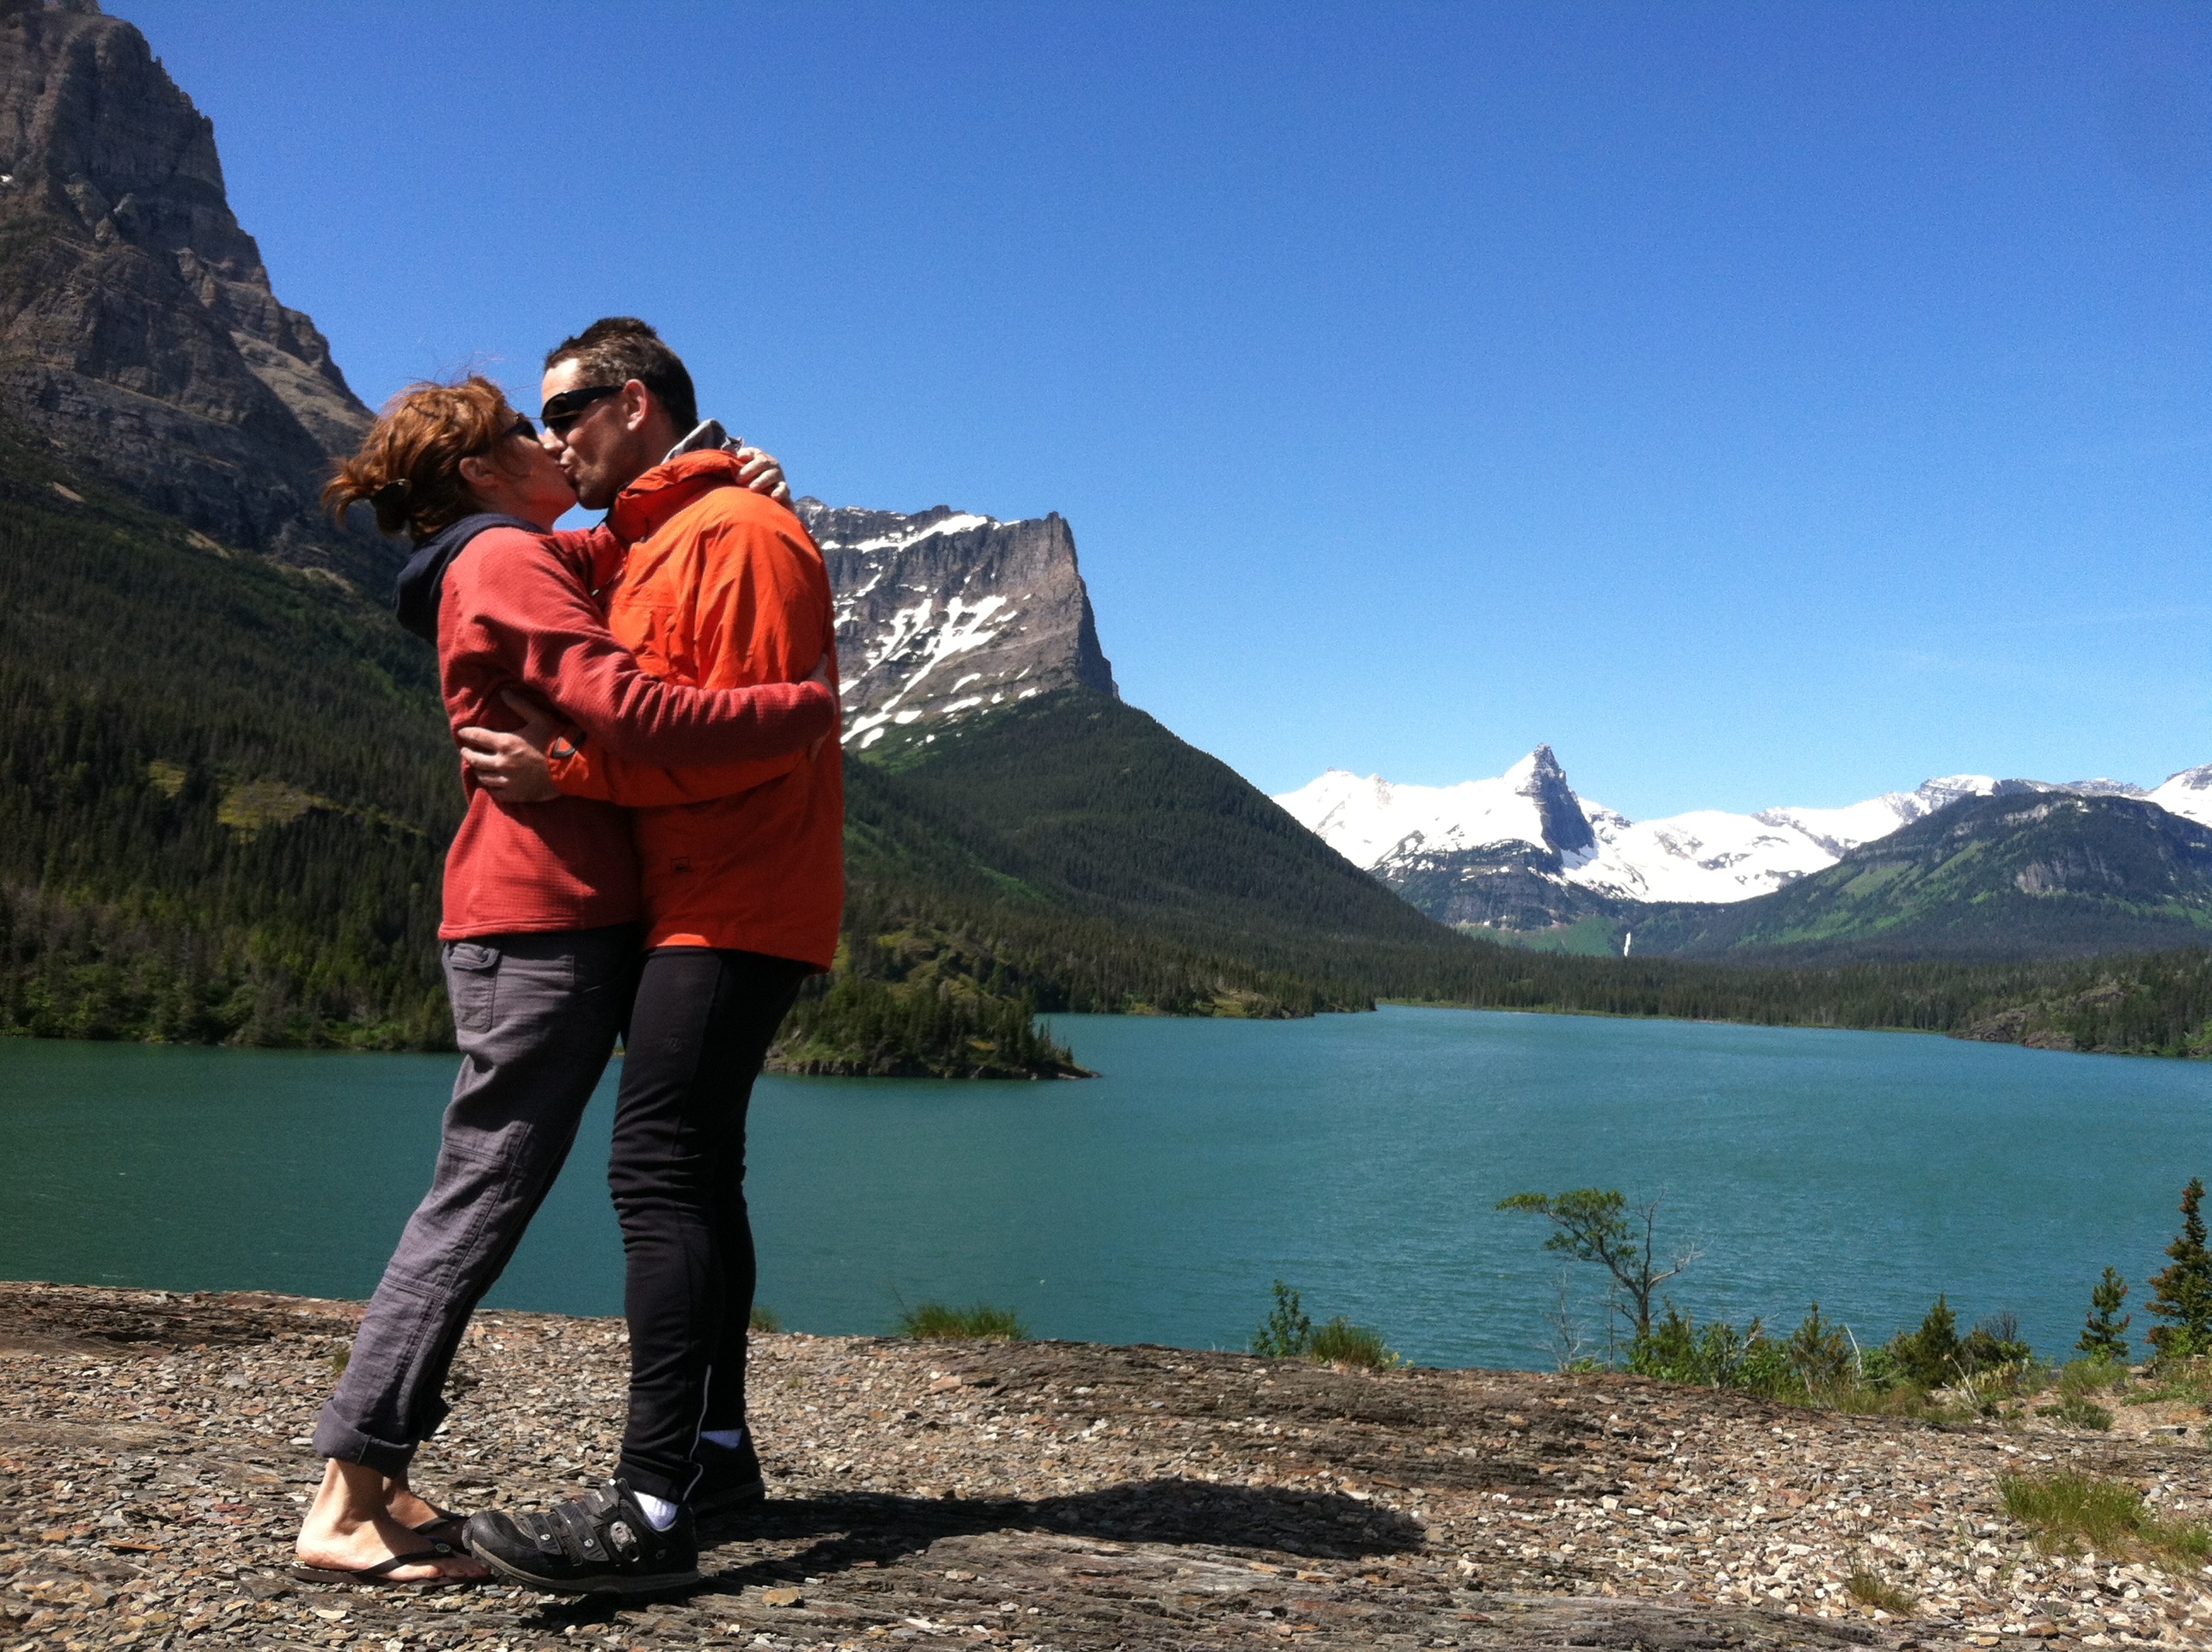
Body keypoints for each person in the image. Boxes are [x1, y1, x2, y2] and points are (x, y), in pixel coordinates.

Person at [292, 376, 832, 1585]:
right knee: (481, 1196)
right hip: (538, 921)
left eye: (563, 419)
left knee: (549, 1183)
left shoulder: (531, 551)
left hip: (557, 917)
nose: (550, 446)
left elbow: (639, 548)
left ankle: (399, 1479)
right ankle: (348, 1492)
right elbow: (627, 703)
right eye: (523, 435)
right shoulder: (505, 564)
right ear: (484, 475)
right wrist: (799, 712)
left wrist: (735, 480)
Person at [460, 319, 843, 1594]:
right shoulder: (652, 533)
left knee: (657, 1171)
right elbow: (494, 558)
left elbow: (744, 741)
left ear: (633, 403)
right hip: (700, 896)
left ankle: (651, 1507)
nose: (553, 433)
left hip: (731, 899)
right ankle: (718, 1453)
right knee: (700, 1171)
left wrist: (566, 768)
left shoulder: (733, 536)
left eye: (566, 410)